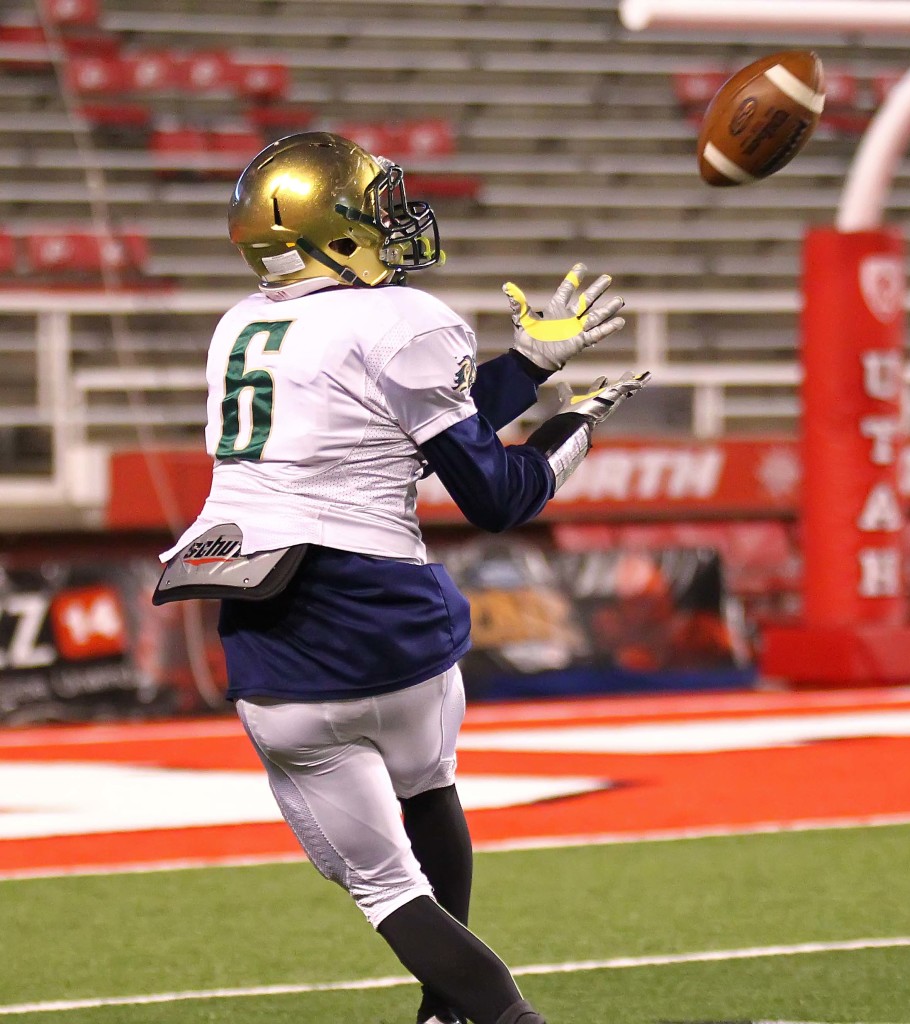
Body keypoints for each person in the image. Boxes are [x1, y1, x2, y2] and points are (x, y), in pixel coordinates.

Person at [156, 131, 649, 1024]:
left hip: (272, 632)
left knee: (387, 889)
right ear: (331, 232)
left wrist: (527, 369)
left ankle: (469, 1014)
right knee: (431, 789)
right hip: (395, 624)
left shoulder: (240, 327)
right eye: (374, 209)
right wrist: (573, 424)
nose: (395, 221)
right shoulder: (403, 317)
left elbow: (379, 437)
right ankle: (466, 1017)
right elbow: (493, 493)